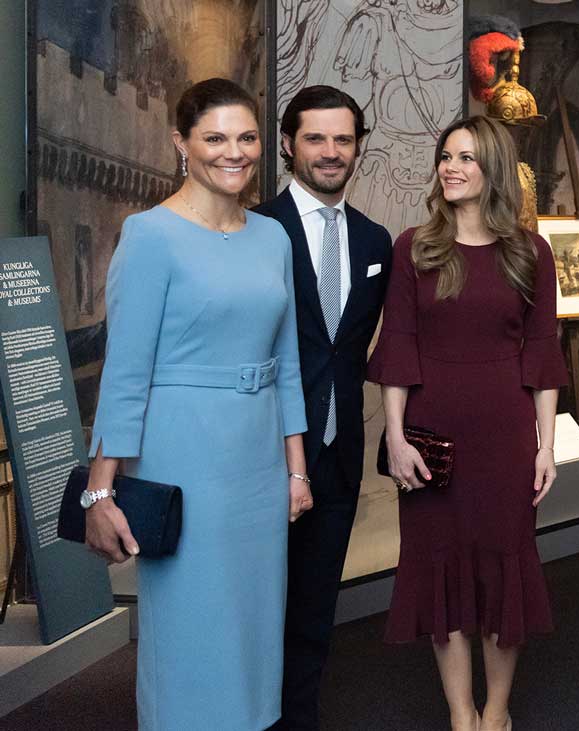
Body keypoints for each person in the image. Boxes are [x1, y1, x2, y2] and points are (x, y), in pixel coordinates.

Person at [82, 78, 308, 730]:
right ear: (181, 142)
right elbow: (125, 374)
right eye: (215, 138)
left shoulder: (273, 237)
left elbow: (288, 361)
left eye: (246, 138)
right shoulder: (149, 235)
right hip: (183, 457)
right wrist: (100, 493)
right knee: (190, 625)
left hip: (258, 465)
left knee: (256, 625)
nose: (232, 152)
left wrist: (295, 469)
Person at [367, 115, 566, 731]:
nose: (450, 167)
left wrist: (546, 446)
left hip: (506, 438)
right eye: (445, 156)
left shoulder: (530, 252)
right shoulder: (413, 247)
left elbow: (543, 356)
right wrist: (395, 438)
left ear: (494, 171)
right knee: (441, 571)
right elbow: (397, 346)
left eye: (465, 158)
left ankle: (497, 713)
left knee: (504, 569)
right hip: (433, 440)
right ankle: (461, 716)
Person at [255, 85, 392, 731]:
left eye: (343, 139)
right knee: (251, 610)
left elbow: (361, 348)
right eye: (315, 138)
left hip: (338, 460)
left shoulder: (374, 242)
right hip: (257, 458)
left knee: (314, 614)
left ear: (358, 147)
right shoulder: (254, 232)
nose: (331, 152)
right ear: (288, 144)